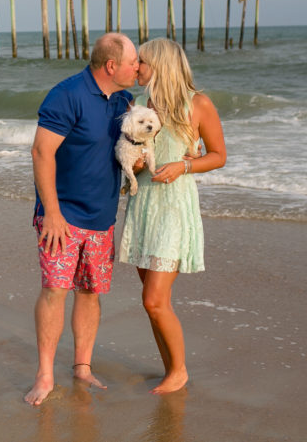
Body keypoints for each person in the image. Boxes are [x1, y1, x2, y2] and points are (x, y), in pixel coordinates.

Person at [24, 32, 140, 406]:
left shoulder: (125, 99)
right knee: (55, 290)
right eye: (132, 62)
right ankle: (44, 375)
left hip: (102, 217)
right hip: (63, 215)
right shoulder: (67, 94)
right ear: (111, 66)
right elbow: (42, 152)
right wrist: (52, 214)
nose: (137, 68)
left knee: (89, 292)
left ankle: (82, 367)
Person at [117, 37, 226, 394]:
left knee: (154, 299)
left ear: (160, 65)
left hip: (174, 209)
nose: (136, 68)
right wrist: (132, 161)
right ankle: (169, 370)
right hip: (144, 204)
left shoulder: (198, 104)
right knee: (153, 302)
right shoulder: (141, 105)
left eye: (142, 62)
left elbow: (219, 156)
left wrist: (184, 165)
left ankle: (179, 372)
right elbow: (135, 152)